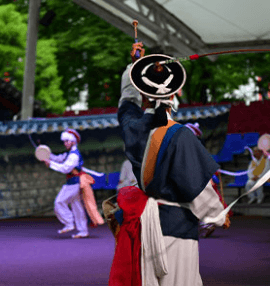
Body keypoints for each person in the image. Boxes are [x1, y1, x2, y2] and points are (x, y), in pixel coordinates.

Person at [108, 43, 229, 286]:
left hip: (143, 227)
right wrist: (218, 215)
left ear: (141, 91)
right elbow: (199, 191)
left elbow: (126, 104)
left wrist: (133, 66)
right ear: (173, 92)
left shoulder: (131, 126)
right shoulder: (179, 135)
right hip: (176, 227)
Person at [43, 128, 103, 238]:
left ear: (73, 141)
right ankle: (83, 231)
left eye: (67, 141)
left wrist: (51, 164)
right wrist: (47, 156)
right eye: (64, 141)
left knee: (59, 202)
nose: (65, 143)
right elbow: (59, 158)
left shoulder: (73, 155)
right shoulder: (69, 153)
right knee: (77, 208)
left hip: (74, 183)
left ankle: (69, 223)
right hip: (75, 183)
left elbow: (66, 168)